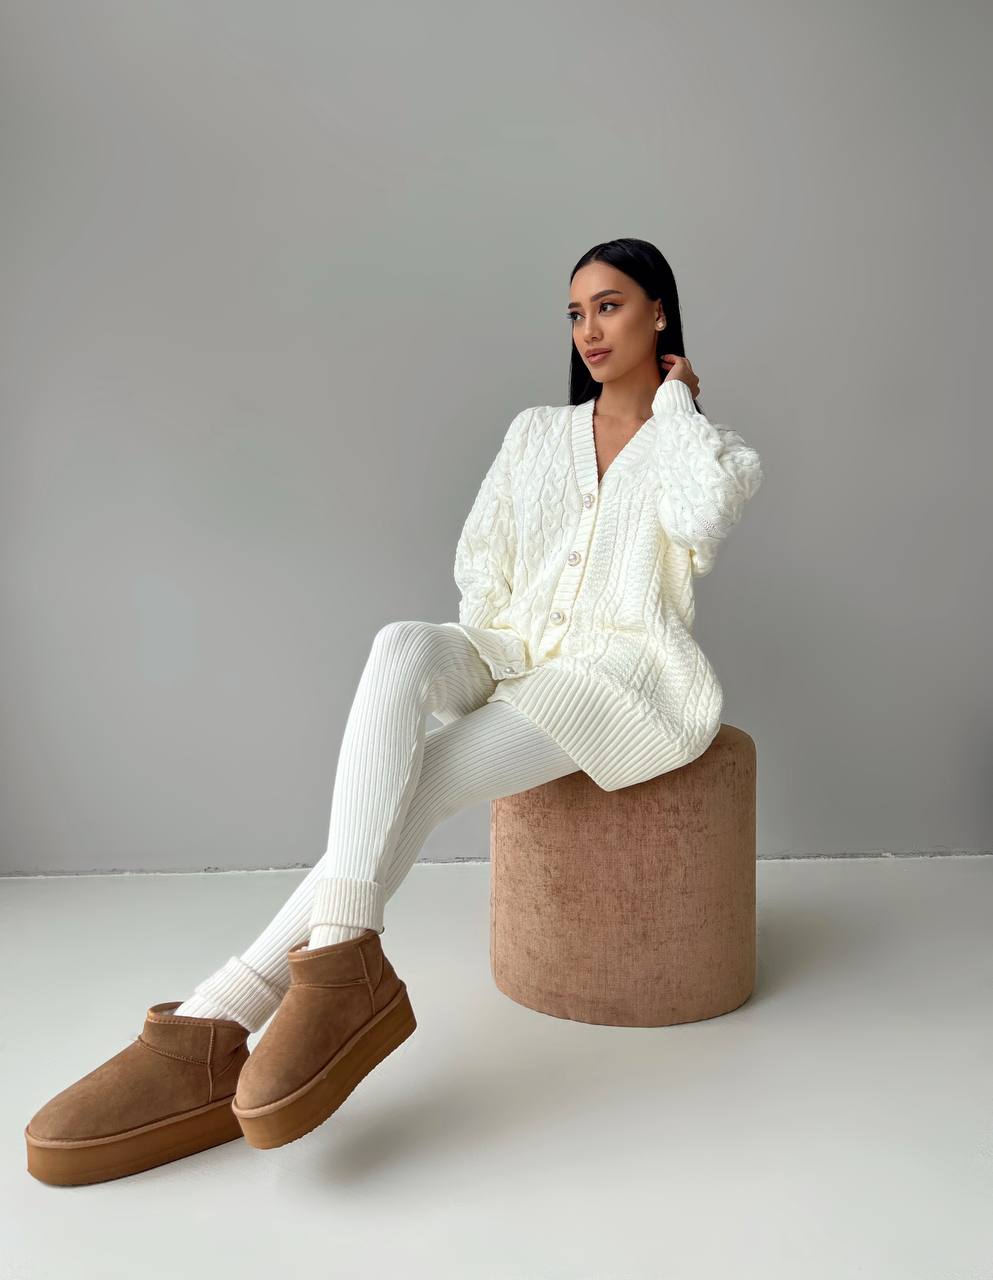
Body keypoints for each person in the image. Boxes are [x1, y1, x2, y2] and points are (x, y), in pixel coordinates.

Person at [24, 237, 764, 1183]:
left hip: (612, 676)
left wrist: (679, 405)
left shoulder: (701, 447)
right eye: (574, 313)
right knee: (398, 646)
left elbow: (703, 520)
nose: (588, 330)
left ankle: (221, 1015)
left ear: (659, 312)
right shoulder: (535, 432)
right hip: (507, 645)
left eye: (610, 307)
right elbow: (479, 563)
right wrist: (495, 651)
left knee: (438, 769)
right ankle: (340, 958)